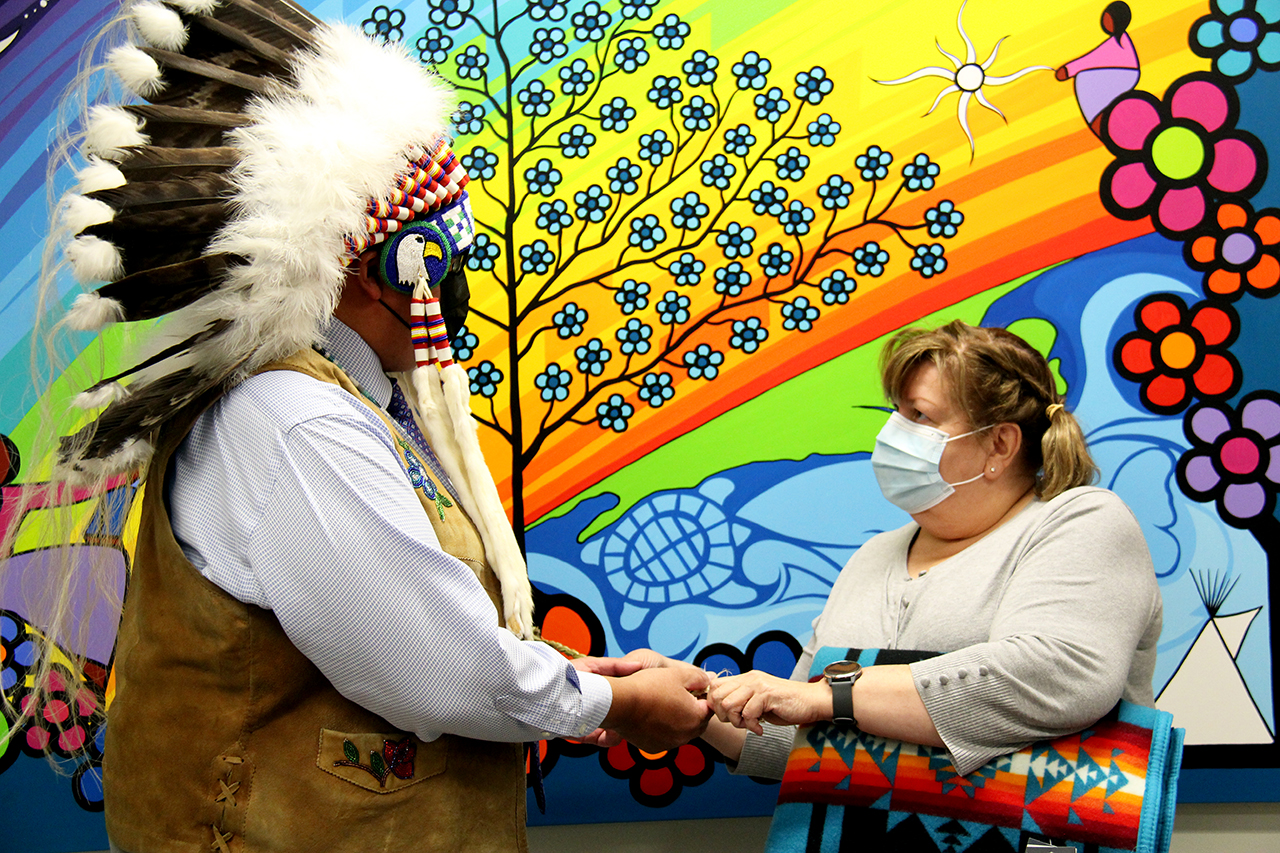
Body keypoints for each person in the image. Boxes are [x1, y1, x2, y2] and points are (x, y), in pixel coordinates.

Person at [7, 2, 709, 851]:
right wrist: (617, 703)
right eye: (449, 243)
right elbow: (434, 669)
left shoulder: (338, 402)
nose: (463, 269)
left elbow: (424, 633)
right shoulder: (296, 418)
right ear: (388, 266)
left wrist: (558, 679)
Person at [698, 320, 1163, 781]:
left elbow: (1057, 676)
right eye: (897, 412)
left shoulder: (1081, 520)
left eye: (919, 416)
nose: (892, 433)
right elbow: (802, 740)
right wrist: (695, 706)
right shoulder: (873, 556)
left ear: (999, 444)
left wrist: (831, 696)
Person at [1056, 1, 1140, 137]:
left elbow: (1091, 59)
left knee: (1086, 80)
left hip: (1122, 74)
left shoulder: (1118, 43)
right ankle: (1100, 122)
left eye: (1109, 18)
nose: (1105, 21)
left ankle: (1101, 123)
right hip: (1121, 75)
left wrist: (1068, 69)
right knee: (1086, 80)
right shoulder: (1118, 42)